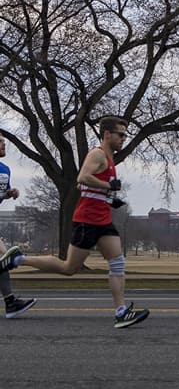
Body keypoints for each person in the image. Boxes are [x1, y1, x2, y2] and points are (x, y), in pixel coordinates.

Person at [0, 116, 149, 328]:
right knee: (69, 268)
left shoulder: (109, 158)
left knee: (117, 263)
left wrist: (109, 197)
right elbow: (82, 178)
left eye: (125, 135)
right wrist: (107, 185)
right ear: (107, 134)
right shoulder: (97, 154)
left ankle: (121, 312)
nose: (123, 139)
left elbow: (84, 188)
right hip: (87, 220)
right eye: (121, 135)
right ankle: (18, 259)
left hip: (103, 219)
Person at [0, 136, 36, 318]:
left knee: (3, 261)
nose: (4, 144)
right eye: (0, 142)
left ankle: (10, 302)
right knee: (3, 260)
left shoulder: (5, 170)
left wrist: (9, 193)